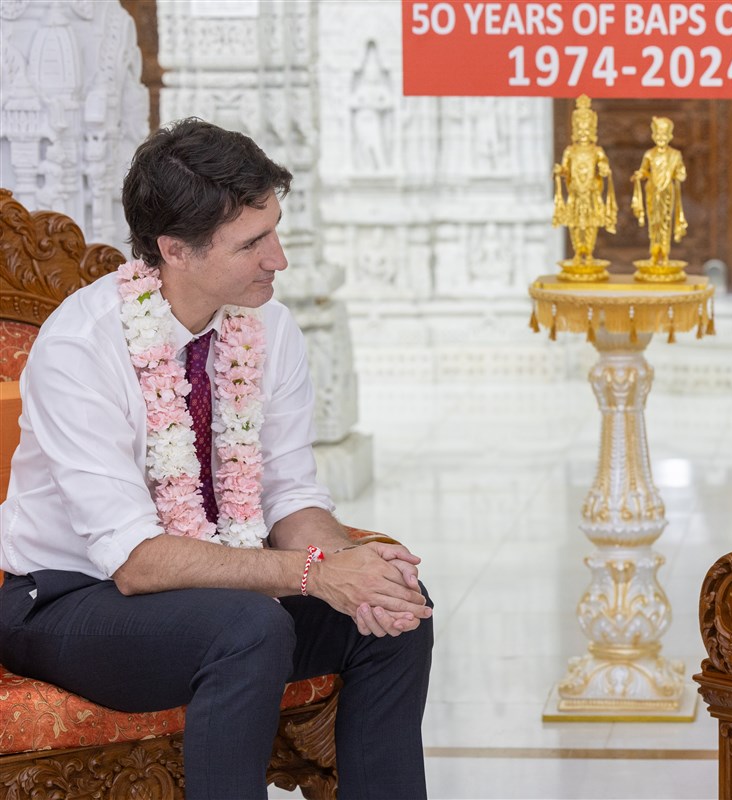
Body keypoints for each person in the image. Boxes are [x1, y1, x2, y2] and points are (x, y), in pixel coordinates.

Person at [0, 118, 434, 800]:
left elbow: (290, 494)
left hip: (218, 595)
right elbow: (138, 564)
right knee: (248, 626)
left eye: (275, 228)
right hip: (65, 601)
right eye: (252, 243)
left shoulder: (270, 329)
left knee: (394, 608)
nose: (279, 259)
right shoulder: (80, 348)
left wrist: (350, 567)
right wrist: (315, 574)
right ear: (175, 249)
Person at [552, 94, 617, 267]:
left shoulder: (597, 151)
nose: (583, 132)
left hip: (590, 193)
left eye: (586, 128)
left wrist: (604, 170)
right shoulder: (570, 151)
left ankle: (587, 252)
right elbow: (566, 169)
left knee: (590, 225)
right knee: (575, 225)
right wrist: (560, 171)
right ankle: (577, 251)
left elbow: (603, 166)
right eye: (579, 128)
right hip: (575, 195)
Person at [631, 116, 688, 265]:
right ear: (653, 136)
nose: (661, 138)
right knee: (654, 222)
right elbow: (644, 170)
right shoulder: (649, 154)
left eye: (664, 135)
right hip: (652, 191)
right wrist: (640, 175)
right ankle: (654, 253)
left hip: (667, 192)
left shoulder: (675, 155)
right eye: (658, 135)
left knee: (666, 221)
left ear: (670, 136)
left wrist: (680, 174)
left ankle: (665, 252)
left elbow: (680, 171)